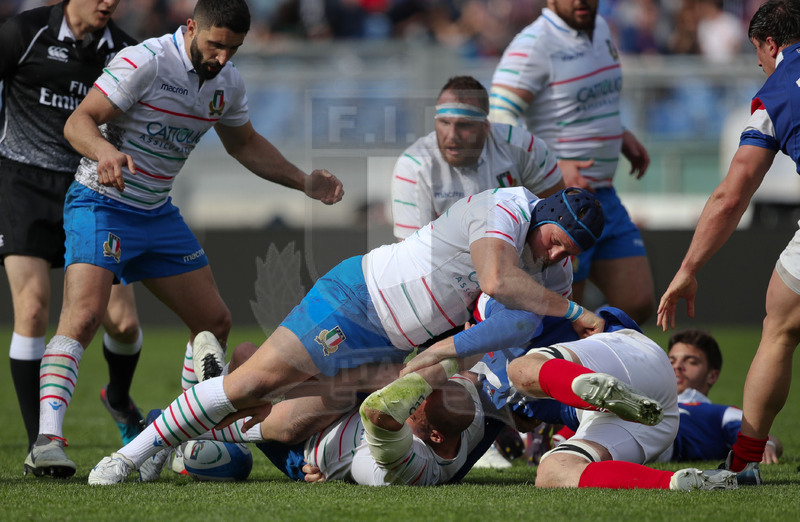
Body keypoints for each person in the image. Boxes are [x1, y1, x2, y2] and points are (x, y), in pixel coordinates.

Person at [86, 185, 607, 485]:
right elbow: (497, 282)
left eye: (571, 252)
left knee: (290, 423)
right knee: (252, 386)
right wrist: (575, 308)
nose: (560, 256)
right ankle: (132, 454)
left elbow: (512, 324)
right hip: (358, 301)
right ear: (545, 214)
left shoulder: (552, 274)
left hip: (399, 346)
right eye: (557, 241)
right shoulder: (508, 208)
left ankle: (177, 426)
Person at [24, 0, 344, 479]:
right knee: (86, 315)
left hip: (156, 212)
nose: (222, 57)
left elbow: (244, 143)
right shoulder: (145, 61)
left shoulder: (227, 83)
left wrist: (303, 181)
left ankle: (166, 437)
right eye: (215, 44)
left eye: (233, 49)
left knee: (212, 321)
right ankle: (47, 441)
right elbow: (79, 122)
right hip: (101, 203)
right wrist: (106, 152)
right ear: (190, 26)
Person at [0, 0, 149, 467]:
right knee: (33, 309)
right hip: (20, 183)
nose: (109, 2)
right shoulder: (20, 34)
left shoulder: (125, 51)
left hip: (88, 190)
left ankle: (120, 399)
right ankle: (40, 443)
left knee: (123, 323)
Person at [657, 0, 800, 481]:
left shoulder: (775, 92)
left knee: (779, 326)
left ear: (771, 43)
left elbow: (731, 194)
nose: (758, 62)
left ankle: (743, 463)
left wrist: (688, 268)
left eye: (757, 51)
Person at [414, 298, 737, 490]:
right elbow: (523, 423)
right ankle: (681, 482)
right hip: (650, 415)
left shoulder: (496, 305)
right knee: (554, 471)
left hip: (627, 361)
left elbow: (598, 320)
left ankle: (588, 386)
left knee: (522, 370)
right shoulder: (486, 398)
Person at [487, 0, 655, 324]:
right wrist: (551, 165)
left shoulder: (601, 28)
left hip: (601, 192)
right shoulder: (534, 43)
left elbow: (589, 100)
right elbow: (500, 116)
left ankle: (593, 364)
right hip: (560, 201)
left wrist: (619, 133)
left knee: (638, 301)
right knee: (566, 322)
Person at [552, 328, 783, 484]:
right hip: (615, 419)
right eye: (671, 361)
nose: (678, 367)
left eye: (690, 361)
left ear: (712, 376)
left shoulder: (719, 412)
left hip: (663, 443)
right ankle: (538, 434)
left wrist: (768, 445)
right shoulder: (641, 393)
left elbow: (758, 433)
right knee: (597, 413)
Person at [391, 75, 565, 240]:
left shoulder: (526, 147)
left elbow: (557, 218)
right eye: (444, 122)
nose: (452, 136)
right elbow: (415, 256)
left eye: (464, 125)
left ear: (486, 127)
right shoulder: (412, 166)